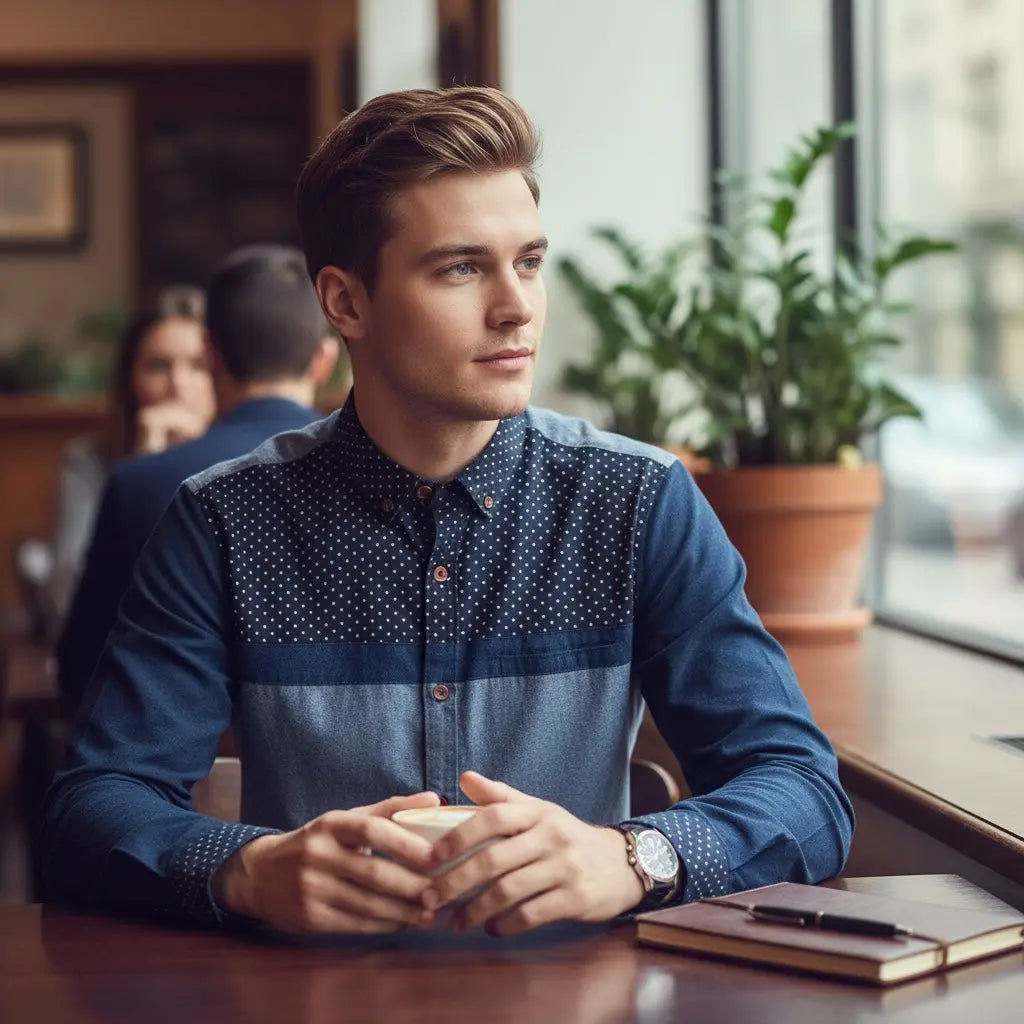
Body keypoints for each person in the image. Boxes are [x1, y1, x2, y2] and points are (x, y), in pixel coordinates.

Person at [42, 87, 853, 938]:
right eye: (461, 268)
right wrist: (246, 870)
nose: (518, 307)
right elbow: (91, 808)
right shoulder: (225, 522)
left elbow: (801, 787)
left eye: (529, 261)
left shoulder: (638, 502)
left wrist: (632, 858)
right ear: (345, 302)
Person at [56, 244, 338, 706]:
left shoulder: (138, 483)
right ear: (323, 361)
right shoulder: (378, 475)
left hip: (177, 767)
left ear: (209, 355)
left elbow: (81, 671)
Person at [47, 311, 214, 630]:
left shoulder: (246, 456)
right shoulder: (89, 459)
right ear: (131, 378)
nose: (177, 384)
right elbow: (64, 598)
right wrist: (144, 469)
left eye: (198, 366)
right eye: (158, 366)